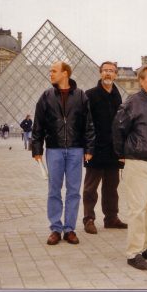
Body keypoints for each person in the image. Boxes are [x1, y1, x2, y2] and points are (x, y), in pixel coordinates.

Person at [112, 63, 147, 270]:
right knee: (137, 209)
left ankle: (144, 246)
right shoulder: (133, 102)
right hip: (138, 162)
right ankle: (133, 252)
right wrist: (122, 155)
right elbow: (118, 128)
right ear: (141, 81)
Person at [32, 60, 95, 246]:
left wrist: (89, 148)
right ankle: (55, 228)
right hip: (54, 149)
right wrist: (37, 149)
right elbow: (38, 125)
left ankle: (69, 229)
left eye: (54, 70)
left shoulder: (81, 96)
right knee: (54, 190)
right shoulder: (46, 96)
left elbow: (89, 125)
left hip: (76, 149)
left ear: (65, 73)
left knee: (73, 191)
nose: (50, 73)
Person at [82, 61, 127, 233]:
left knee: (112, 188)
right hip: (95, 149)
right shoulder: (90, 94)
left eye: (111, 71)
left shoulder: (117, 96)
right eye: (105, 70)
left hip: (113, 150)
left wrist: (122, 150)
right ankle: (89, 219)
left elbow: (121, 125)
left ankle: (111, 218)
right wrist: (88, 148)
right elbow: (85, 123)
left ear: (116, 74)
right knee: (90, 188)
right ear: (100, 73)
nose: (108, 73)